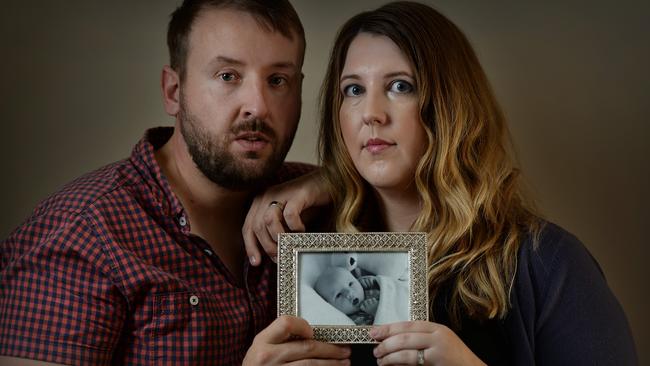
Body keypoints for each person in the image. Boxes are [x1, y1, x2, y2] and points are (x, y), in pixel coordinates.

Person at [243, 1, 638, 365]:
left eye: (401, 86)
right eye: (354, 90)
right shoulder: (303, 253)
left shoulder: (547, 262)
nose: (371, 113)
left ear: (448, 105)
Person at [0, 1, 351, 365]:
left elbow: (412, 185)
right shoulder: (83, 234)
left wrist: (339, 179)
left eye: (278, 80)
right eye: (228, 76)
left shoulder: (311, 201)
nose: (257, 106)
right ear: (173, 90)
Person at [314, 266, 380, 325]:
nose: (349, 292)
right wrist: (376, 312)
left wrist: (375, 281)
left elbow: (386, 282)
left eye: (350, 284)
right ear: (330, 306)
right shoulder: (351, 321)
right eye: (338, 295)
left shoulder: (367, 284)